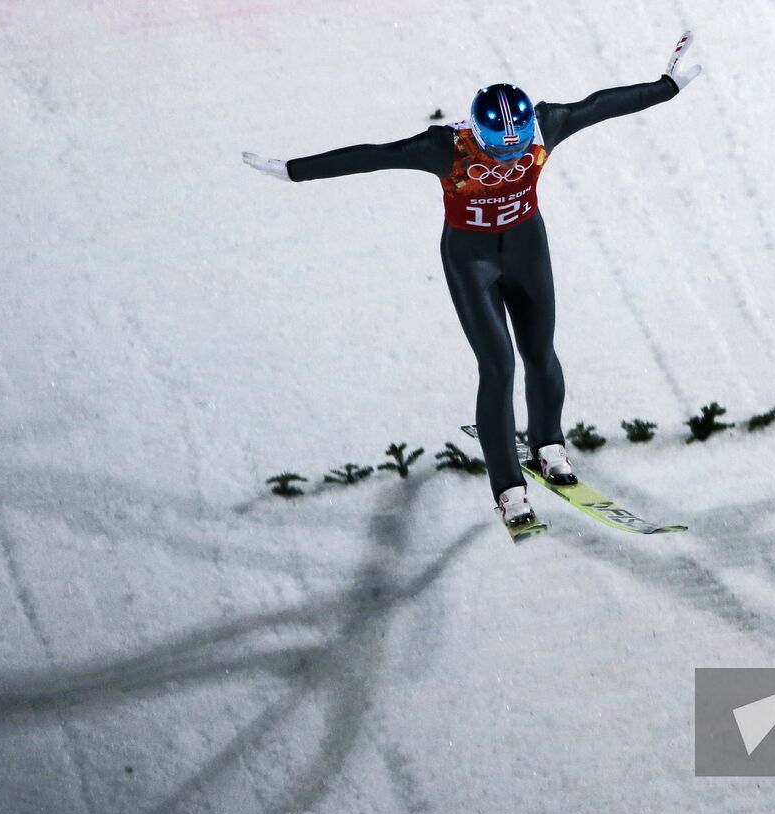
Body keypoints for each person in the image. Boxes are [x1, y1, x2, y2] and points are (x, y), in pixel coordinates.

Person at [243, 31, 702, 527]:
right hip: (471, 261)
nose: (507, 162)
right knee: (499, 365)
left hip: (527, 250)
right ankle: (509, 490)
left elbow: (600, 105)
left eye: (517, 152)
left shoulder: (546, 125)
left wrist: (667, 86)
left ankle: (549, 444)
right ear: (477, 137)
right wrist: (294, 171)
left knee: (541, 351)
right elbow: (373, 155)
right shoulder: (447, 147)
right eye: (498, 155)